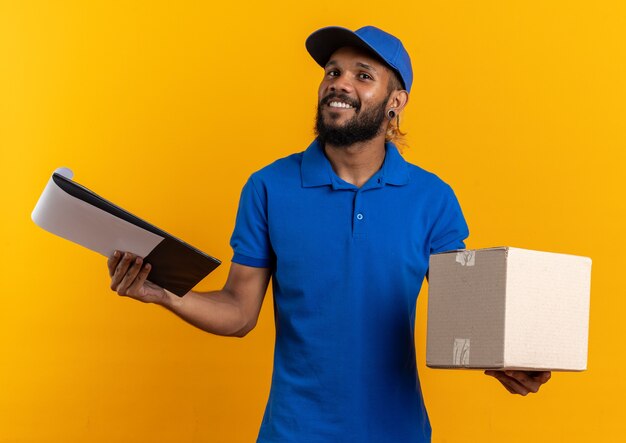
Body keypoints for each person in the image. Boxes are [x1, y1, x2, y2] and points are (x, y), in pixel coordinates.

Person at [107, 26, 551, 443]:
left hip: (398, 432)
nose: (340, 83)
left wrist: (506, 365)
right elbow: (240, 312)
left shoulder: (431, 198)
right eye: (333, 72)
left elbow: (466, 321)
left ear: (396, 102)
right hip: (293, 432)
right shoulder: (268, 187)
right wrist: (166, 294)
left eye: (363, 75)